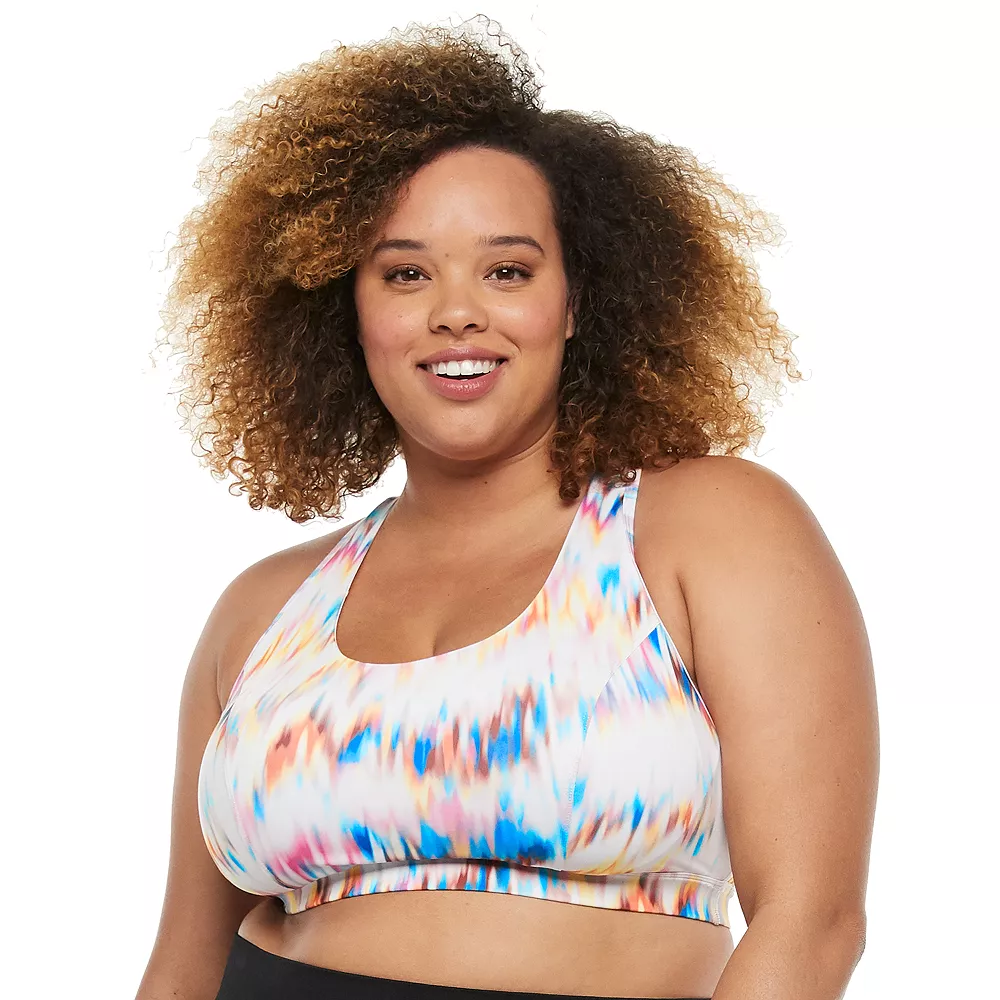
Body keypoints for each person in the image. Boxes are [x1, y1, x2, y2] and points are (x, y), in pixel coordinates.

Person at [137, 16, 878, 1000]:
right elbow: (181, 969)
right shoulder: (264, 610)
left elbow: (811, 922)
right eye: (405, 273)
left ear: (576, 302)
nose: (456, 312)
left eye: (507, 270)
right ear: (344, 309)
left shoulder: (706, 530)